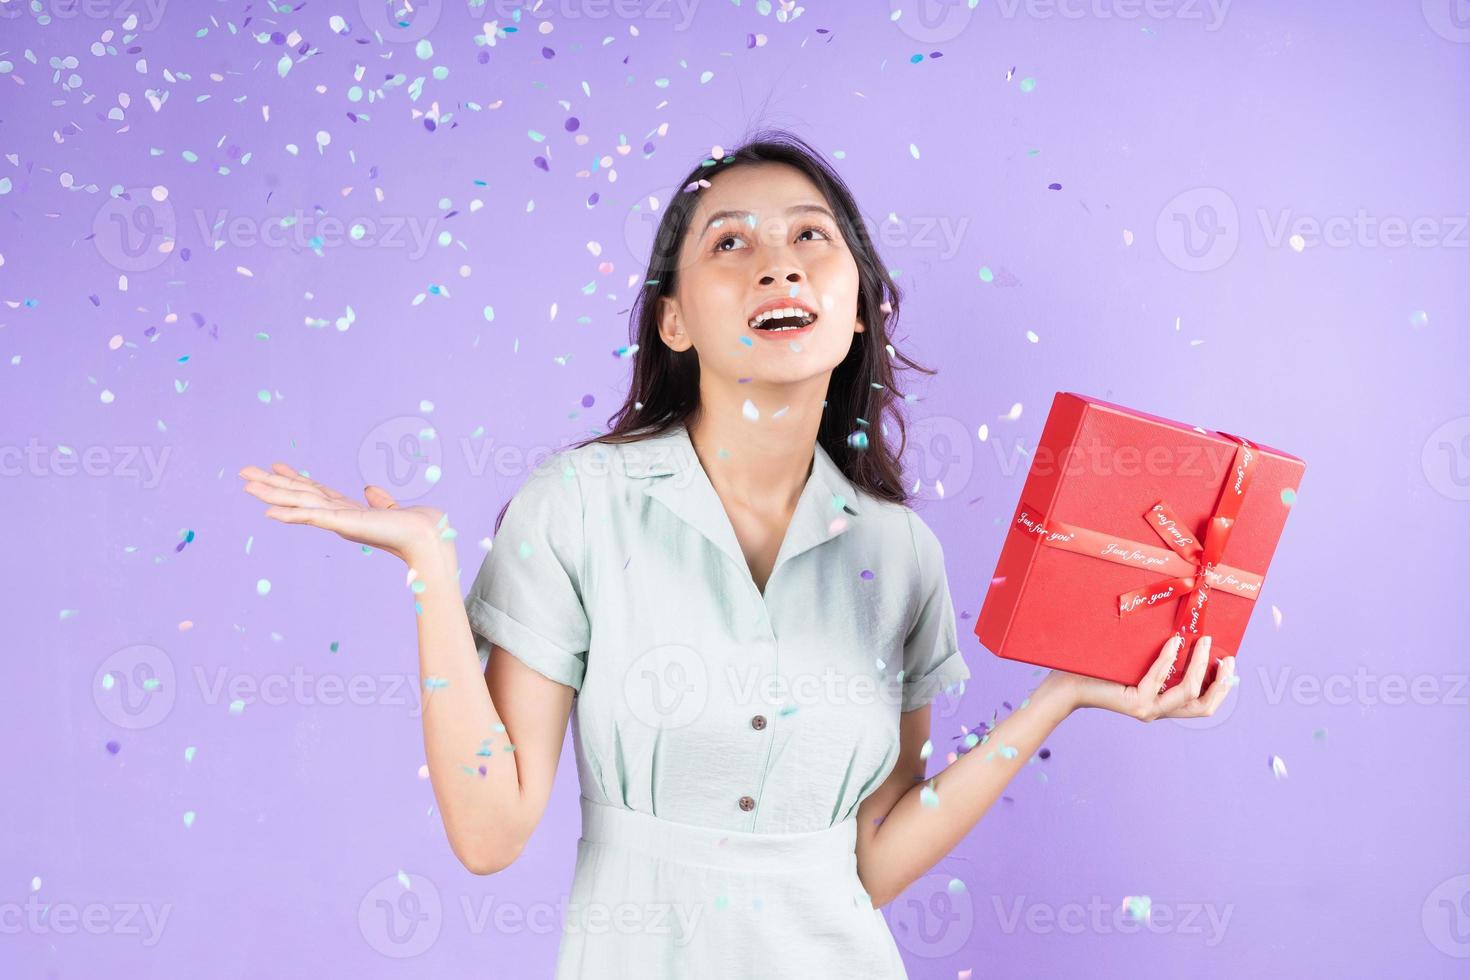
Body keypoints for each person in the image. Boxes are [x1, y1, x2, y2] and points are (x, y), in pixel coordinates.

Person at [238, 130, 1237, 978]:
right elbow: (490, 831)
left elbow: (872, 858)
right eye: (731, 242)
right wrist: (430, 567)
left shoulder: (902, 553)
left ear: (856, 312)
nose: (779, 261)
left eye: (812, 236)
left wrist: (1057, 693)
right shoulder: (578, 507)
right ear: (674, 319)